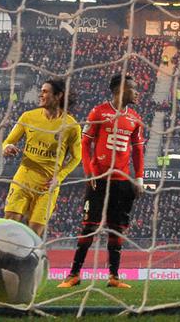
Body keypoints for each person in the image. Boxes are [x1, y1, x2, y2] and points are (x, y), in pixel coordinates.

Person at [59, 74, 145, 290]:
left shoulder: (135, 118)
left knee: (117, 230)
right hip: (99, 181)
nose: (137, 92)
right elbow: (85, 142)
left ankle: (114, 276)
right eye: (134, 88)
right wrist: (89, 172)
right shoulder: (98, 112)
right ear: (121, 89)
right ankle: (74, 274)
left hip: (122, 183)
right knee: (89, 227)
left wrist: (139, 178)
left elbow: (138, 150)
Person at [1, 78, 82, 237]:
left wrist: (59, 177)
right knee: (10, 227)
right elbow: (8, 141)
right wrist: (6, 147)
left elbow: (76, 157)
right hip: (23, 179)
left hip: (47, 187)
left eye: (45, 92)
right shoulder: (28, 117)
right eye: (41, 91)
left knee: (33, 236)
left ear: (58, 96)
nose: (41, 94)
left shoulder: (71, 126)